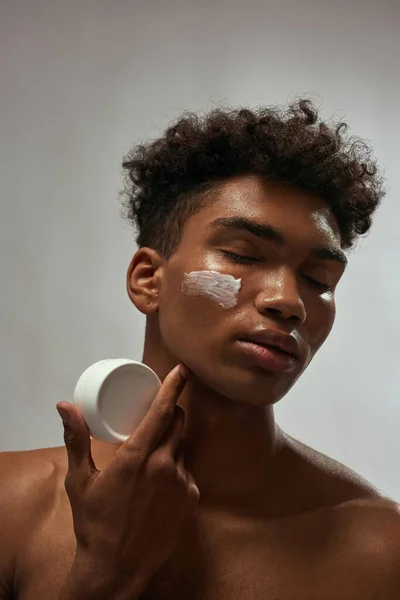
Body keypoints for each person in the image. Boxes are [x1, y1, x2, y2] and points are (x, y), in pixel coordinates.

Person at [1, 99, 399, 600]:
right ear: (148, 279)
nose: (289, 301)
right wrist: (103, 575)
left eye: (319, 279)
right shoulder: (9, 506)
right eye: (241, 255)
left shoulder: (382, 551)